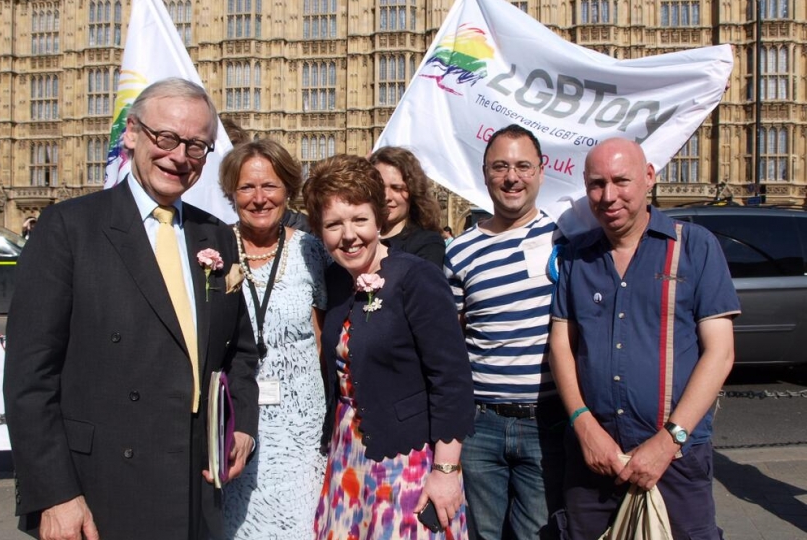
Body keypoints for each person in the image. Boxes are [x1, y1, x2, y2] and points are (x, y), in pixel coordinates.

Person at [3, 78, 260, 540]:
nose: (179, 156)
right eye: (166, 138)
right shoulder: (69, 228)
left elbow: (238, 350)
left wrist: (240, 425)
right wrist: (54, 494)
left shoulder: (217, 235)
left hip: (194, 488)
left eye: (196, 146)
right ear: (132, 133)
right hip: (100, 490)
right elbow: (29, 379)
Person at [549, 138, 740, 539]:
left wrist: (669, 441)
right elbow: (562, 346)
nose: (609, 195)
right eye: (597, 184)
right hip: (593, 456)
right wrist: (584, 427)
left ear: (649, 178)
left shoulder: (694, 246)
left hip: (676, 457)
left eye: (621, 181)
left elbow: (720, 354)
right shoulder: (576, 257)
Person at [303, 154, 475, 539]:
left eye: (359, 220)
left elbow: (452, 381)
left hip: (407, 459)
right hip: (347, 453)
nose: (349, 235)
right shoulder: (334, 282)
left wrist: (446, 471)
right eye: (333, 225)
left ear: (378, 220)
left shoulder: (417, 278)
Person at [443, 124, 566, 540]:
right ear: (485, 173)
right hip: (480, 426)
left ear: (541, 172)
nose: (512, 177)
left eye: (522, 166)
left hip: (545, 420)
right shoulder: (458, 251)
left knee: (538, 534)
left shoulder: (564, 240)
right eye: (500, 167)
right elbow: (451, 343)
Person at [219, 139, 330, 540]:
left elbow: (324, 335)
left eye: (271, 186)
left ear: (288, 189)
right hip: (234, 418)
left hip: (302, 424)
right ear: (232, 193)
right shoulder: (211, 249)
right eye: (247, 187)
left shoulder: (313, 251)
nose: (259, 198)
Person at [369, 146, 445, 267]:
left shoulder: (426, 243)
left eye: (397, 188)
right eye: (379, 186)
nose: (386, 196)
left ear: (413, 191)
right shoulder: (356, 239)